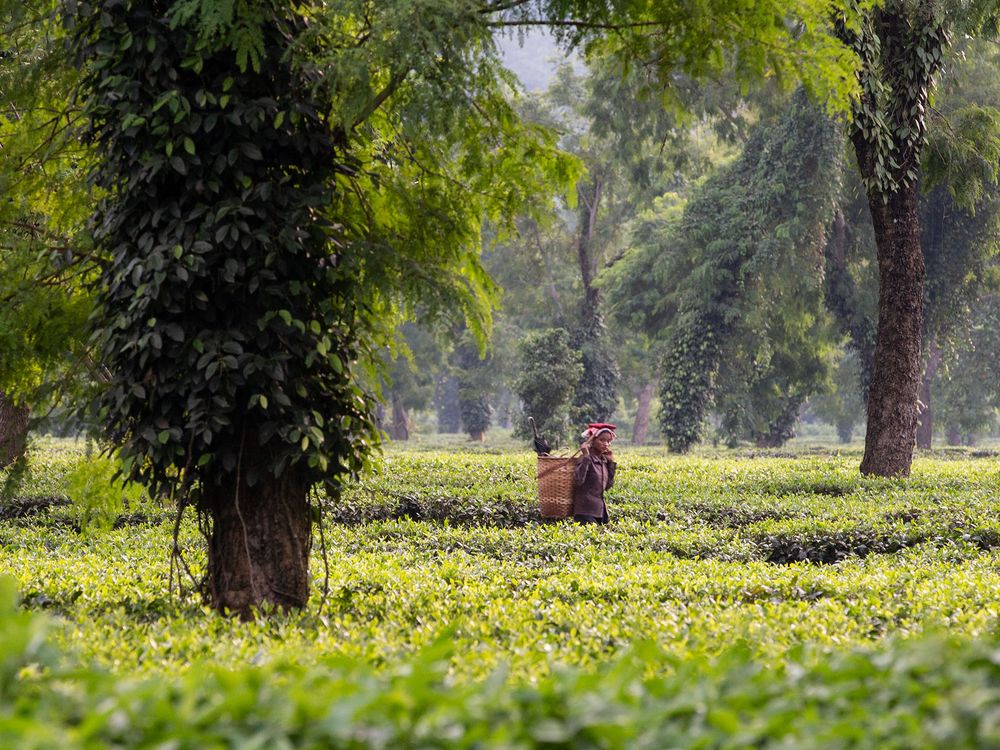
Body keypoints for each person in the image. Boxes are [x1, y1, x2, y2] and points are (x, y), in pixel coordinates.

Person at [573, 423, 617, 524]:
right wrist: (586, 457)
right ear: (592, 441)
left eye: (608, 441)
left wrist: (611, 463)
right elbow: (578, 481)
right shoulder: (584, 459)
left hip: (600, 511)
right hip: (585, 511)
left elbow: (608, 486)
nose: (606, 444)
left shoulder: (603, 461)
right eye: (602, 440)